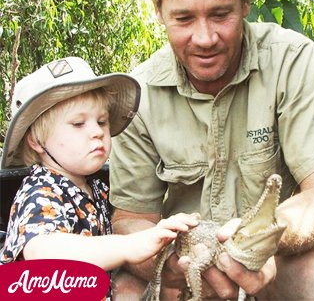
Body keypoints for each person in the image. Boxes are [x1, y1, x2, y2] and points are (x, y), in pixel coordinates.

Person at [108, 0, 314, 299]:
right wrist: (171, 265)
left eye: (221, 15)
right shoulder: (138, 94)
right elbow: (132, 218)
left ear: (246, 4)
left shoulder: (292, 61)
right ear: (159, 11)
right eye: (184, 18)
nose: (205, 38)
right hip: (183, 257)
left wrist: (261, 239)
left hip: (273, 257)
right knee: (125, 288)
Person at [0, 57, 200, 297]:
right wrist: (131, 245)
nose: (96, 132)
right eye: (78, 124)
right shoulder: (40, 191)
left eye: (101, 122)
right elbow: (43, 251)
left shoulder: (96, 187)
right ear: (36, 140)